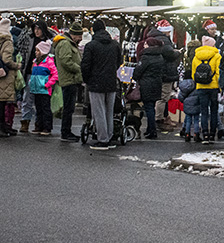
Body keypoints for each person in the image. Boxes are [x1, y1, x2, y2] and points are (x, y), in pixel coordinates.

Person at [81, 19, 123, 150]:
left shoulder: (91, 46)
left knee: (98, 111)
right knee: (109, 111)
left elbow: (85, 65)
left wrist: (87, 79)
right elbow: (119, 62)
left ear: (93, 30)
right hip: (111, 81)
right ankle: (109, 136)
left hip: (95, 82)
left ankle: (102, 139)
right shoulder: (115, 45)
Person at [15, 20, 54, 133]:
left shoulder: (49, 42)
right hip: (30, 72)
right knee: (28, 98)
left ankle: (39, 123)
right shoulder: (29, 39)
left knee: (41, 100)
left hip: (43, 74)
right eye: (35, 29)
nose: (36, 31)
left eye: (38, 29)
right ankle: (25, 121)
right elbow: (24, 53)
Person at [0, 19, 21, 138]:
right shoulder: (7, 42)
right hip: (6, 75)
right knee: (2, 103)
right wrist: (17, 66)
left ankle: (1, 127)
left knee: (0, 102)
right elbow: (7, 60)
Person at [52, 22, 84, 142]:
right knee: (68, 108)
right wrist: (79, 69)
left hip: (69, 79)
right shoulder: (66, 44)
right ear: (74, 35)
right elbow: (66, 61)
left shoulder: (67, 43)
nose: (80, 39)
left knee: (69, 108)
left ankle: (66, 131)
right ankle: (65, 132)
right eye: (79, 36)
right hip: (69, 79)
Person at [148, 20, 180, 130]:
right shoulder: (164, 40)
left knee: (162, 96)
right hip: (166, 71)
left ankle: (164, 117)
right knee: (163, 97)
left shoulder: (155, 37)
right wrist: (177, 52)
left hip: (159, 72)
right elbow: (169, 54)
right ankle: (160, 119)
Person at [133, 37, 166, 140]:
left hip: (146, 83)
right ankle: (150, 129)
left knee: (149, 108)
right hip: (156, 83)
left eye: (146, 44)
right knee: (151, 106)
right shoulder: (160, 56)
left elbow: (139, 70)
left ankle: (152, 130)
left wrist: (135, 77)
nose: (144, 46)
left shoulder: (146, 57)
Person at [192, 36, 222, 144]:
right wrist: (219, 86)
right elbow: (219, 72)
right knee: (214, 111)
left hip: (201, 87)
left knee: (204, 111)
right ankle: (212, 134)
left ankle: (205, 134)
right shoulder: (217, 56)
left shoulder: (196, 56)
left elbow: (193, 74)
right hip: (213, 87)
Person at [29, 41, 59, 136]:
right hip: (36, 89)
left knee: (45, 108)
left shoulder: (49, 61)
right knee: (38, 108)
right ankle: (39, 125)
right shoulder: (35, 61)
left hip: (45, 89)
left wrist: (48, 84)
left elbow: (55, 74)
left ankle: (47, 127)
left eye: (38, 50)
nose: (36, 52)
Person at [178, 72, 200, 143]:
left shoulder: (183, 86)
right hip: (196, 103)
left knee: (188, 120)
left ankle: (187, 134)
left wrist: (184, 101)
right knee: (196, 120)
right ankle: (196, 134)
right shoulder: (195, 83)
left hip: (187, 104)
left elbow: (180, 97)